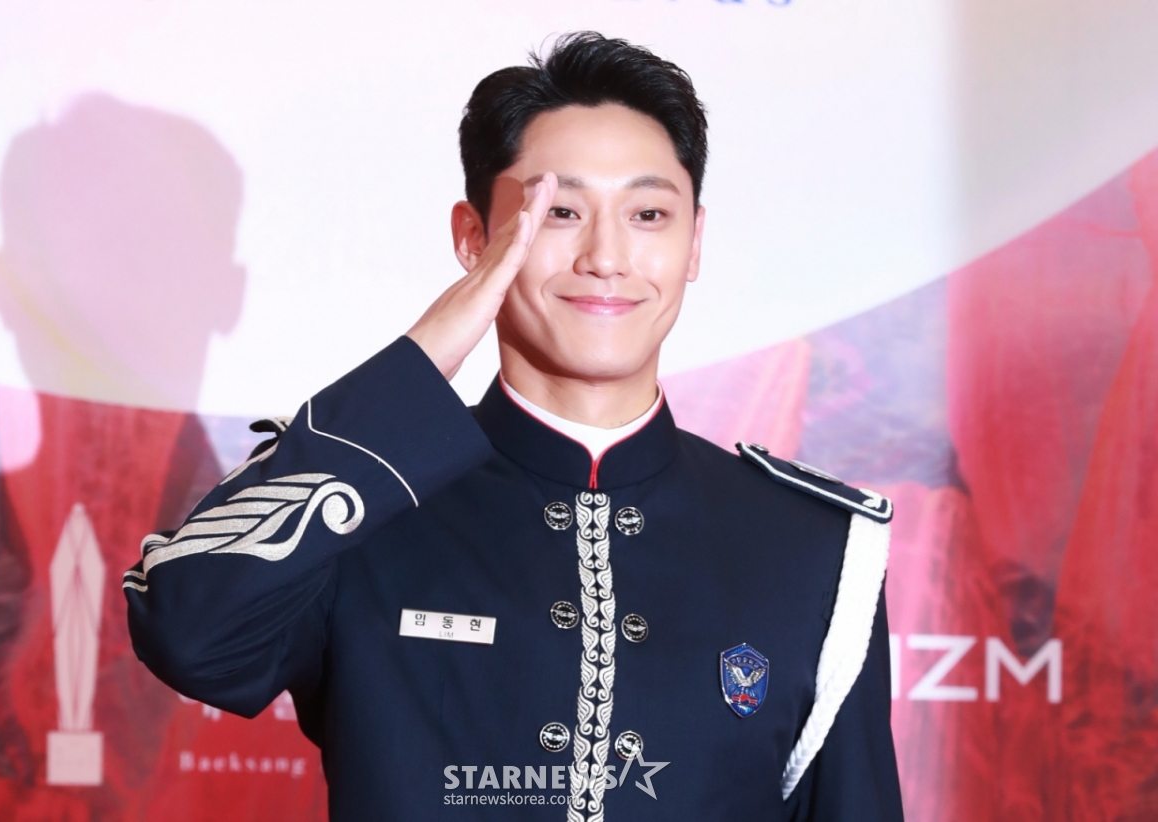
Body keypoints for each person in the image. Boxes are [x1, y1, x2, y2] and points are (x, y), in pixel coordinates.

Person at [124, 32, 903, 820]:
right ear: (475, 237)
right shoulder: (362, 503)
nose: (606, 256)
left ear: (693, 241)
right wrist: (426, 354)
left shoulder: (812, 547)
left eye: (648, 214)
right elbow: (188, 629)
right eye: (558, 211)